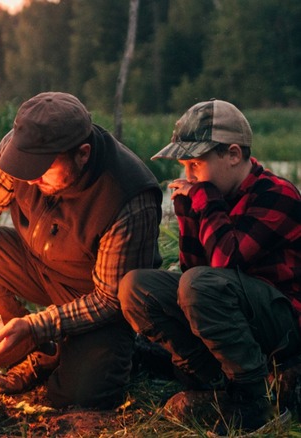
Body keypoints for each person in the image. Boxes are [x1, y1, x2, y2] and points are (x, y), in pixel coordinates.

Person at [0, 91, 162, 408]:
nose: (31, 177)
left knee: (80, 396)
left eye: (43, 169)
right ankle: (35, 354)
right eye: (27, 167)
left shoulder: (127, 197)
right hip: (36, 264)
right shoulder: (24, 152)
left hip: (96, 296)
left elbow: (109, 300)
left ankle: (134, 351)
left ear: (82, 154)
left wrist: (36, 325)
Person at [118, 99, 301, 432]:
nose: (188, 176)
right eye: (185, 166)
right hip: (231, 309)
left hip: (281, 322)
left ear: (232, 155)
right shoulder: (209, 195)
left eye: (195, 165)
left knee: (201, 284)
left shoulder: (277, 194)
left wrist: (203, 199)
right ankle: (210, 380)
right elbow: (192, 270)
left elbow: (224, 264)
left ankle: (254, 398)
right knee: (137, 287)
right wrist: (189, 212)